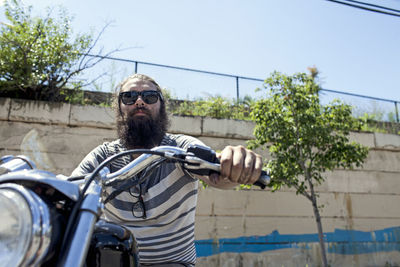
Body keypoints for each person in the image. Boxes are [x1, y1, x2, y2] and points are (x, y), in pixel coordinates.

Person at [71, 74, 263, 266]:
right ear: (119, 107)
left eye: (150, 97)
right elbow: (72, 189)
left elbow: (216, 175)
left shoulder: (179, 148)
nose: (139, 101)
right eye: (129, 97)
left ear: (161, 106)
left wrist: (234, 165)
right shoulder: (104, 156)